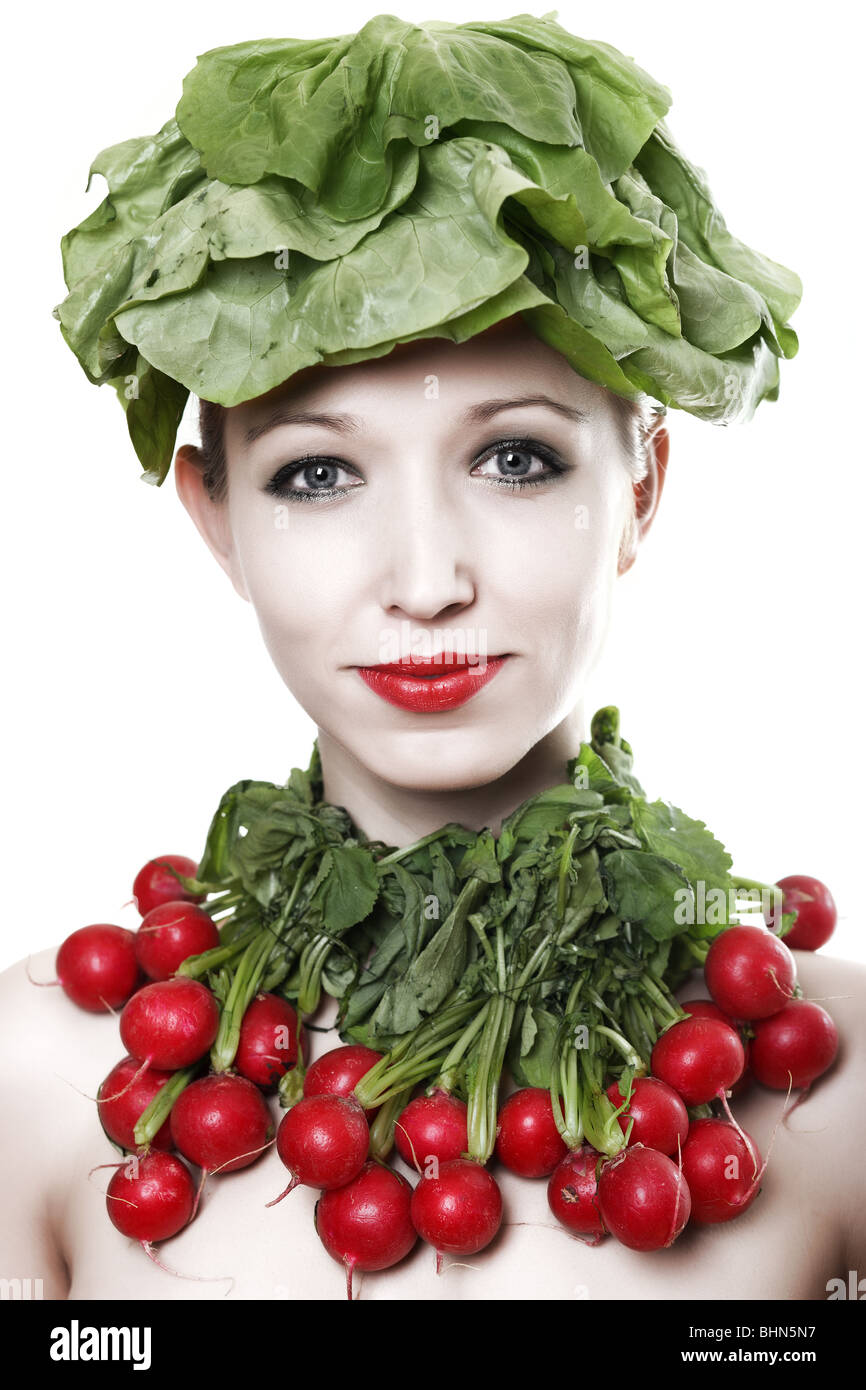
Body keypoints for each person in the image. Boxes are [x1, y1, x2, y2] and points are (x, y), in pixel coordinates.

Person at [2, 12, 863, 1302]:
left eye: (517, 459)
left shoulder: (839, 1076)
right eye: (318, 473)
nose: (425, 582)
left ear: (641, 491)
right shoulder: (39, 1070)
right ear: (215, 519)